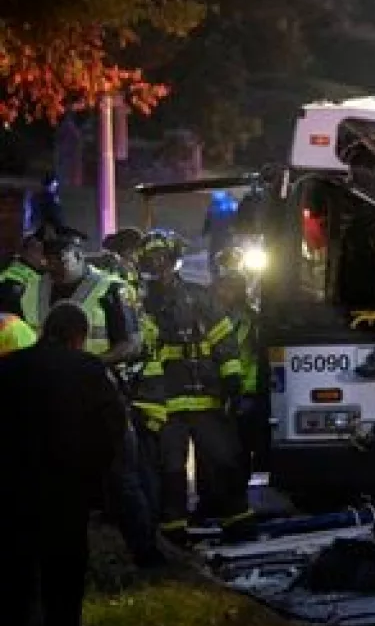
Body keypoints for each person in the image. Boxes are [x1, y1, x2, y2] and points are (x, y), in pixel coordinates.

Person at [0, 302, 132, 626]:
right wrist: (94, 485)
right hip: (67, 501)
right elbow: (114, 432)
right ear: (78, 336)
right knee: (63, 597)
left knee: (10, 594)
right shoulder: (90, 371)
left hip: (12, 500)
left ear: (44, 330)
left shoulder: (8, 368)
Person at [136, 230, 253, 546]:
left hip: (207, 396)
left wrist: (232, 379)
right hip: (168, 402)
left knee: (225, 460)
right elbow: (145, 354)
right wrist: (151, 400)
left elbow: (223, 338)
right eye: (151, 260)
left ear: (173, 260)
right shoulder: (141, 304)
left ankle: (237, 521)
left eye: (162, 259)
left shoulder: (200, 296)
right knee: (170, 468)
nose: (157, 266)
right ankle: (173, 529)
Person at [17, 224, 143, 366]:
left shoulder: (111, 289)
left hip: (92, 380)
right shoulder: (31, 288)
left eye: (60, 260)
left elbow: (131, 346)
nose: (52, 267)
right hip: (45, 380)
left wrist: (90, 364)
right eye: (47, 260)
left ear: (78, 255)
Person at [211, 247, 266, 477]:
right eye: (222, 288)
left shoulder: (252, 320)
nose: (224, 293)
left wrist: (246, 392)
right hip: (219, 391)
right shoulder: (212, 317)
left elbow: (256, 357)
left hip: (246, 393)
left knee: (241, 449)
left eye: (230, 288)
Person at [0, 234, 45, 307]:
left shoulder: (36, 276)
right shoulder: (14, 275)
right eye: (37, 250)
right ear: (25, 252)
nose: (42, 257)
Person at [202, 190, 239, 275]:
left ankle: (229, 269)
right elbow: (208, 218)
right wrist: (205, 230)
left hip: (225, 234)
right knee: (215, 252)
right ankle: (217, 271)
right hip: (219, 234)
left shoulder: (231, 205)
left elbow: (236, 216)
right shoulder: (214, 205)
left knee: (226, 250)